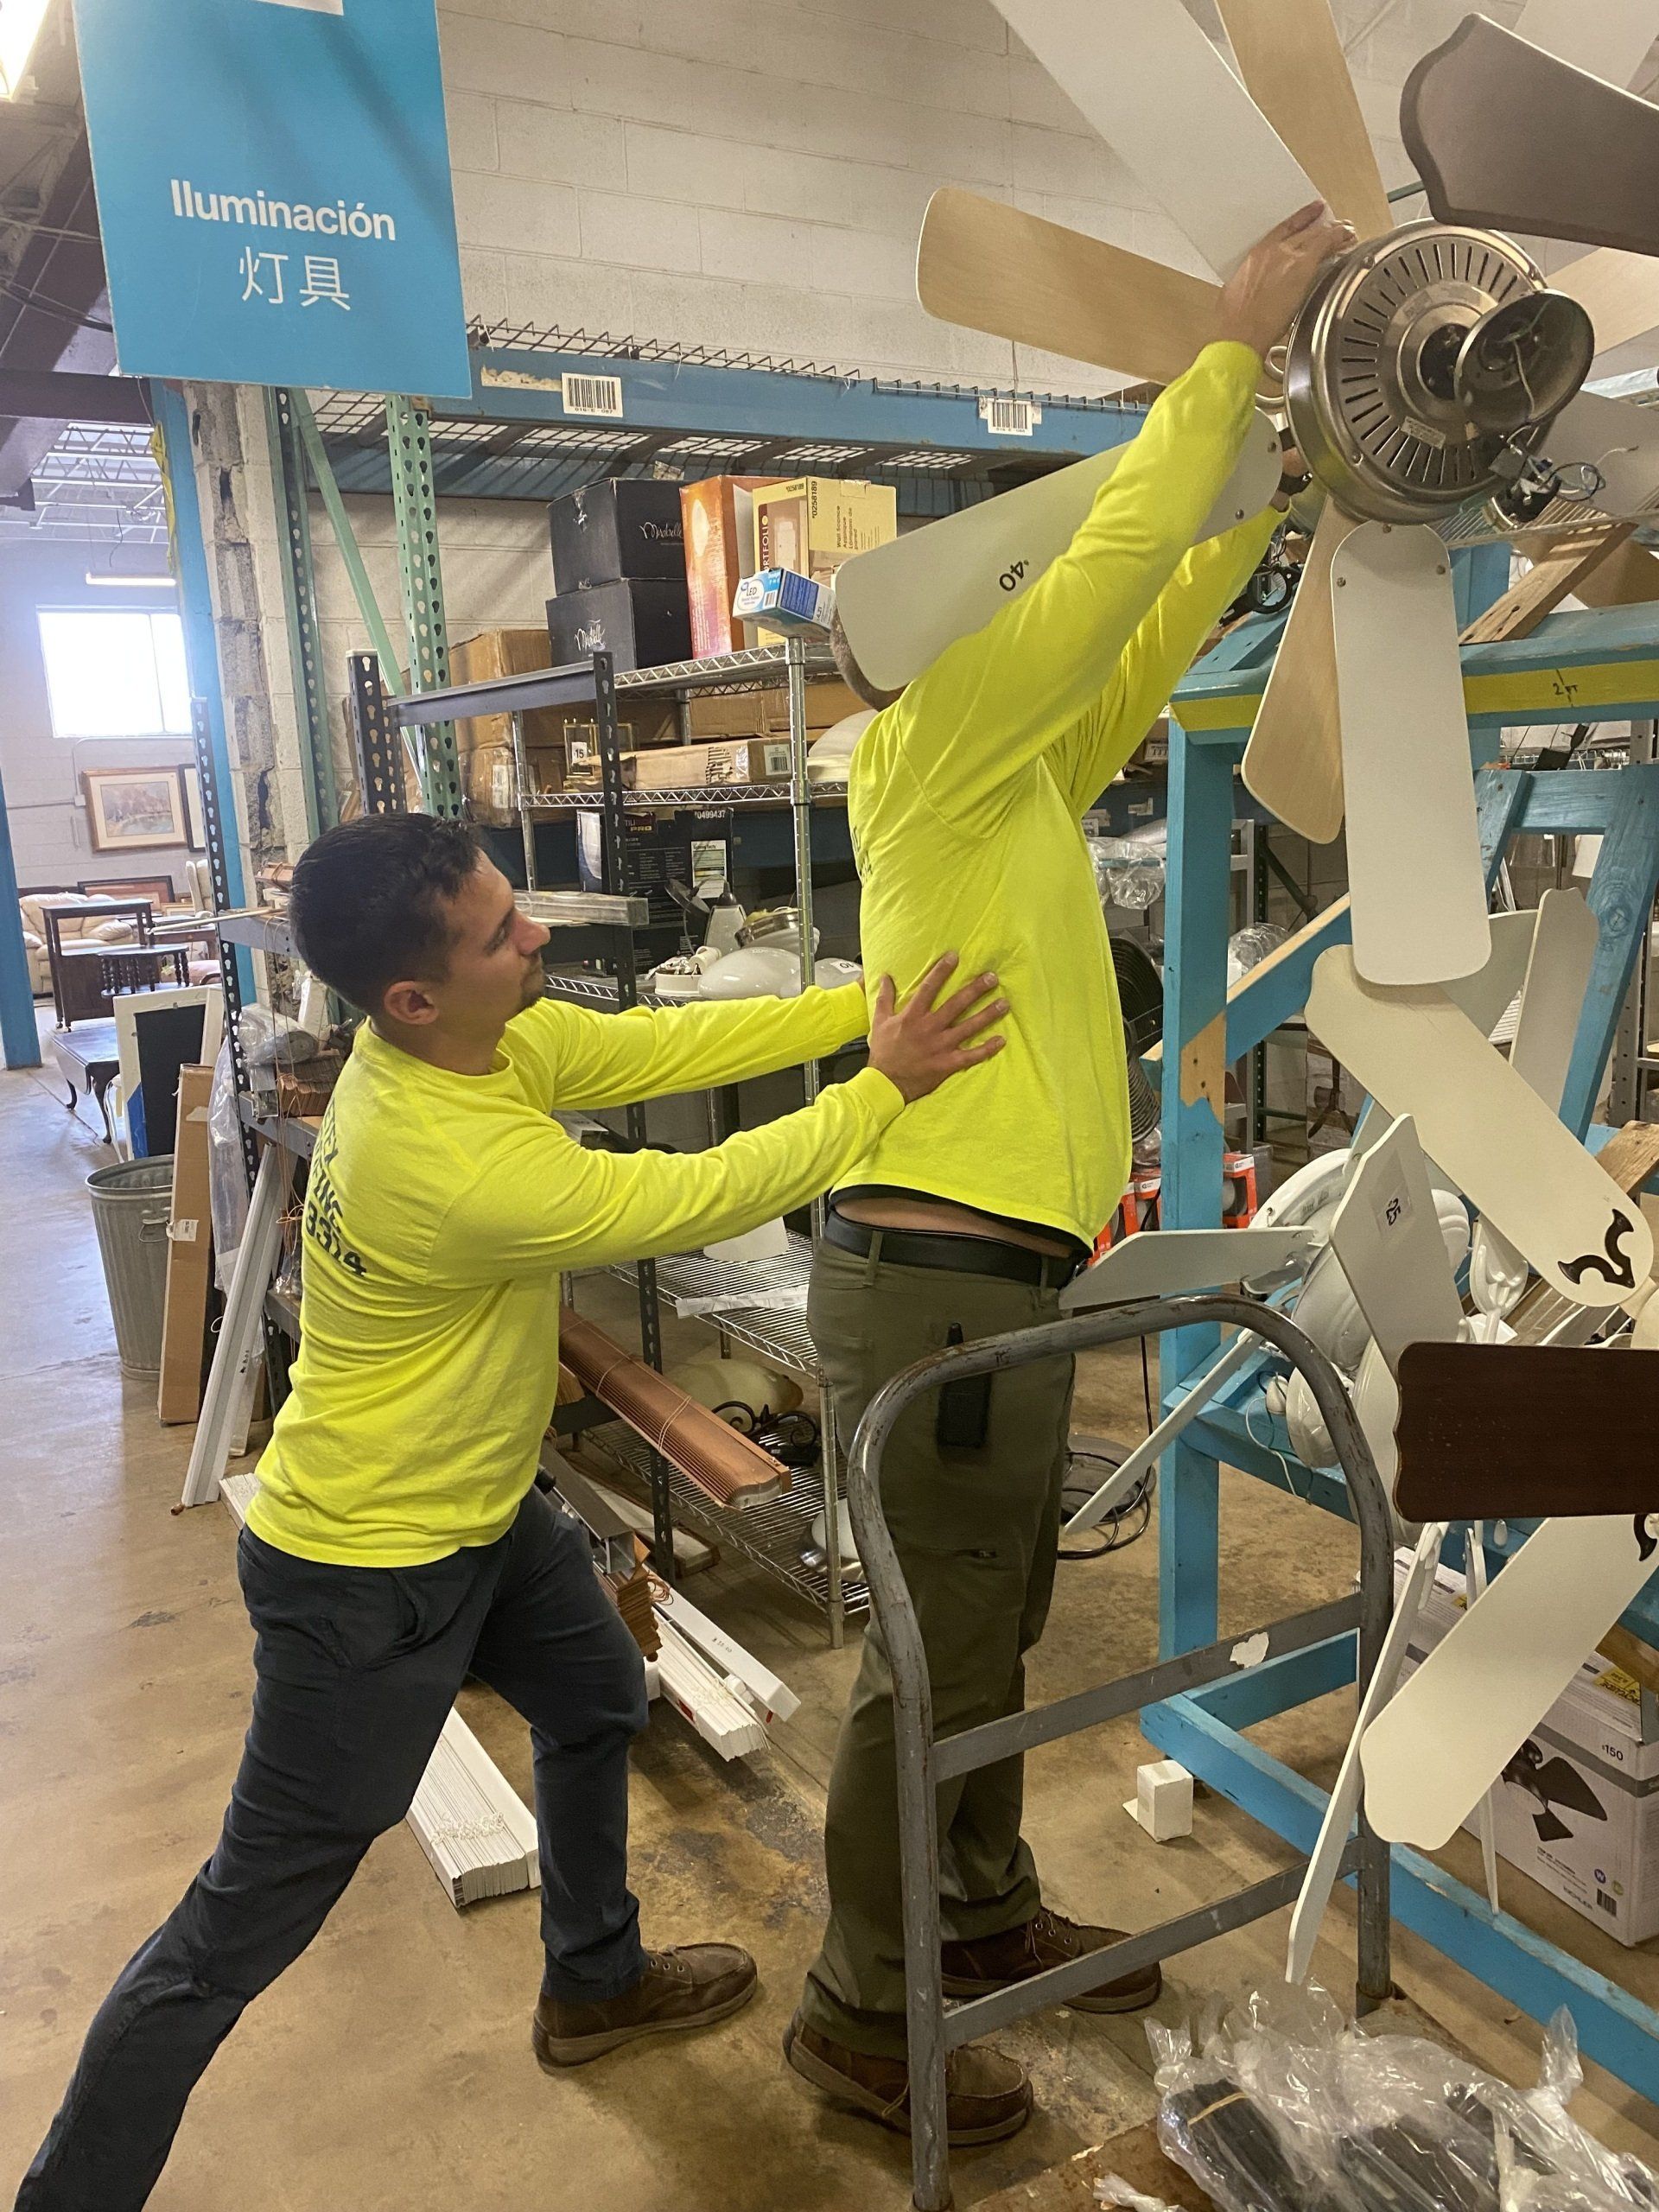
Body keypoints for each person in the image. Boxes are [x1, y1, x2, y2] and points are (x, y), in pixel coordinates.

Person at [16, 812, 1007, 2212]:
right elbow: (696, 1191)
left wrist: (865, 1007)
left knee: (599, 1696)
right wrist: (883, 1090)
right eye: (502, 934)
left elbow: (667, 1051)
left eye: (514, 906)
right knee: (239, 1926)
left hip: (483, 1518)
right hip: (364, 1576)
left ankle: (593, 1985)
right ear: (414, 996)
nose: (538, 937)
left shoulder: (483, 1045)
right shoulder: (448, 1159)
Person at [785, 200, 1355, 2146]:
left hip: (998, 1282)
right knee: (922, 1657)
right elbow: (1106, 567)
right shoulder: (929, 743)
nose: (1040, 616)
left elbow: (1145, 621)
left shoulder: (1010, 769)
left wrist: (1264, 490)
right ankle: (865, 2013)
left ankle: (975, 1910)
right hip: (937, 1276)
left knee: (990, 1632)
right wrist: (1224, 354)